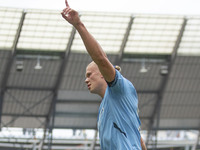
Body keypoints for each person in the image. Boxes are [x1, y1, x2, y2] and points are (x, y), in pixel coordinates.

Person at [61, 1, 147, 150]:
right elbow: (138, 138)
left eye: (89, 75)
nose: (86, 79)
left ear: (102, 73)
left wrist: (78, 25)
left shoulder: (120, 88)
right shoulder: (108, 105)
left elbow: (101, 58)